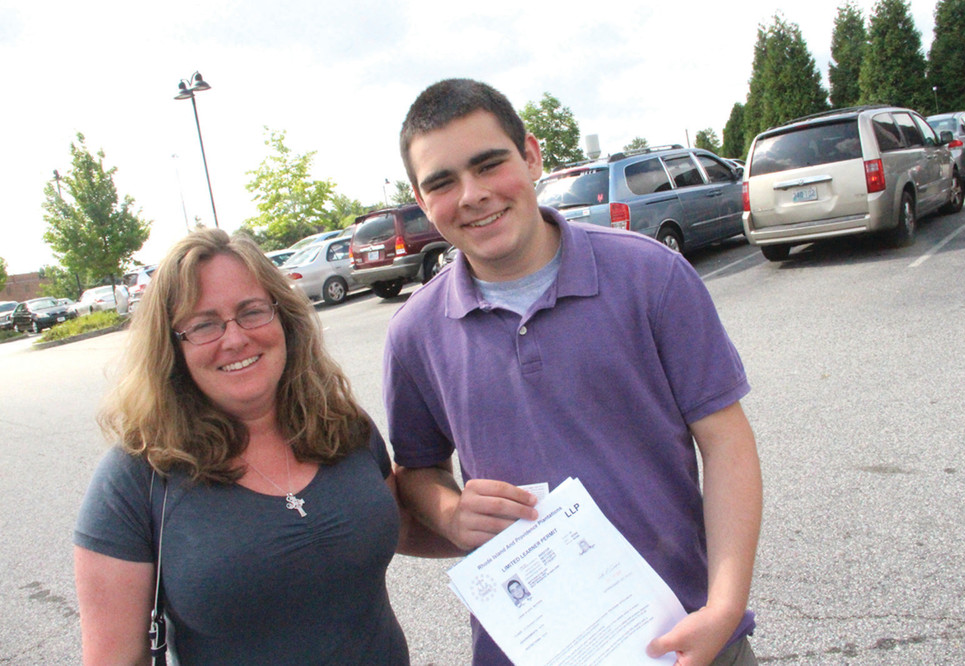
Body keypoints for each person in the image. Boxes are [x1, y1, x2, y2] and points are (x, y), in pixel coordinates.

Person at [385, 78, 763, 666]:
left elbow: (728, 445)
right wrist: (447, 512)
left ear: (531, 156)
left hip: (685, 638)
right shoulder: (415, 334)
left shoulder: (651, 277)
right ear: (420, 196)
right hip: (530, 648)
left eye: (490, 165)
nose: (472, 194)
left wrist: (724, 608)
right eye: (442, 182)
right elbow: (417, 470)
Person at [74, 229, 455, 665]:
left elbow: (394, 525)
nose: (234, 339)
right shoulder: (136, 478)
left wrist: (486, 523)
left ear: (283, 318)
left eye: (251, 312)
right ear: (171, 348)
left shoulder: (342, 426)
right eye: (203, 325)